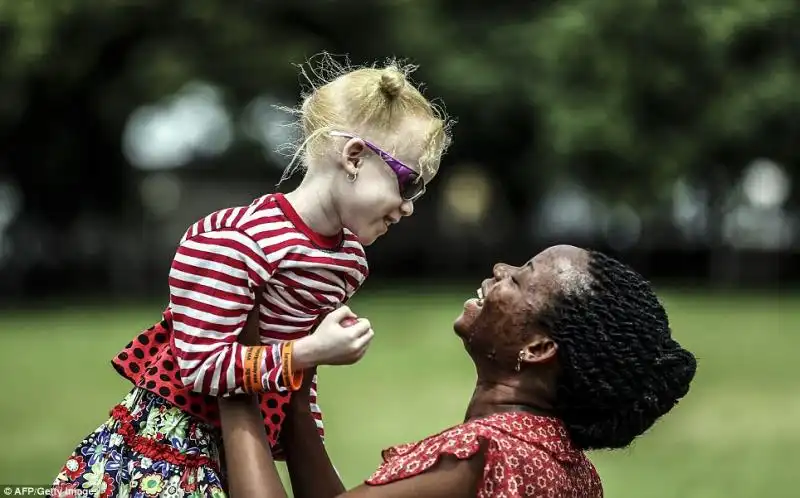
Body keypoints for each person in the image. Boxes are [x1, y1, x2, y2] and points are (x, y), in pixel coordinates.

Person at [51, 54, 453, 498]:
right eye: (408, 183)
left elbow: (297, 380)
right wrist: (306, 352)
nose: (410, 205)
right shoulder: (234, 241)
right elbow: (201, 367)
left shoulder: (347, 260)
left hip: (245, 446)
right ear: (354, 157)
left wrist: (300, 418)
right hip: (172, 452)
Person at [217, 245, 697, 498]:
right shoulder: (571, 472)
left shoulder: (483, 454)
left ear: (538, 347)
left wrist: (235, 373)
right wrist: (297, 366)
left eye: (521, 276)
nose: (500, 267)